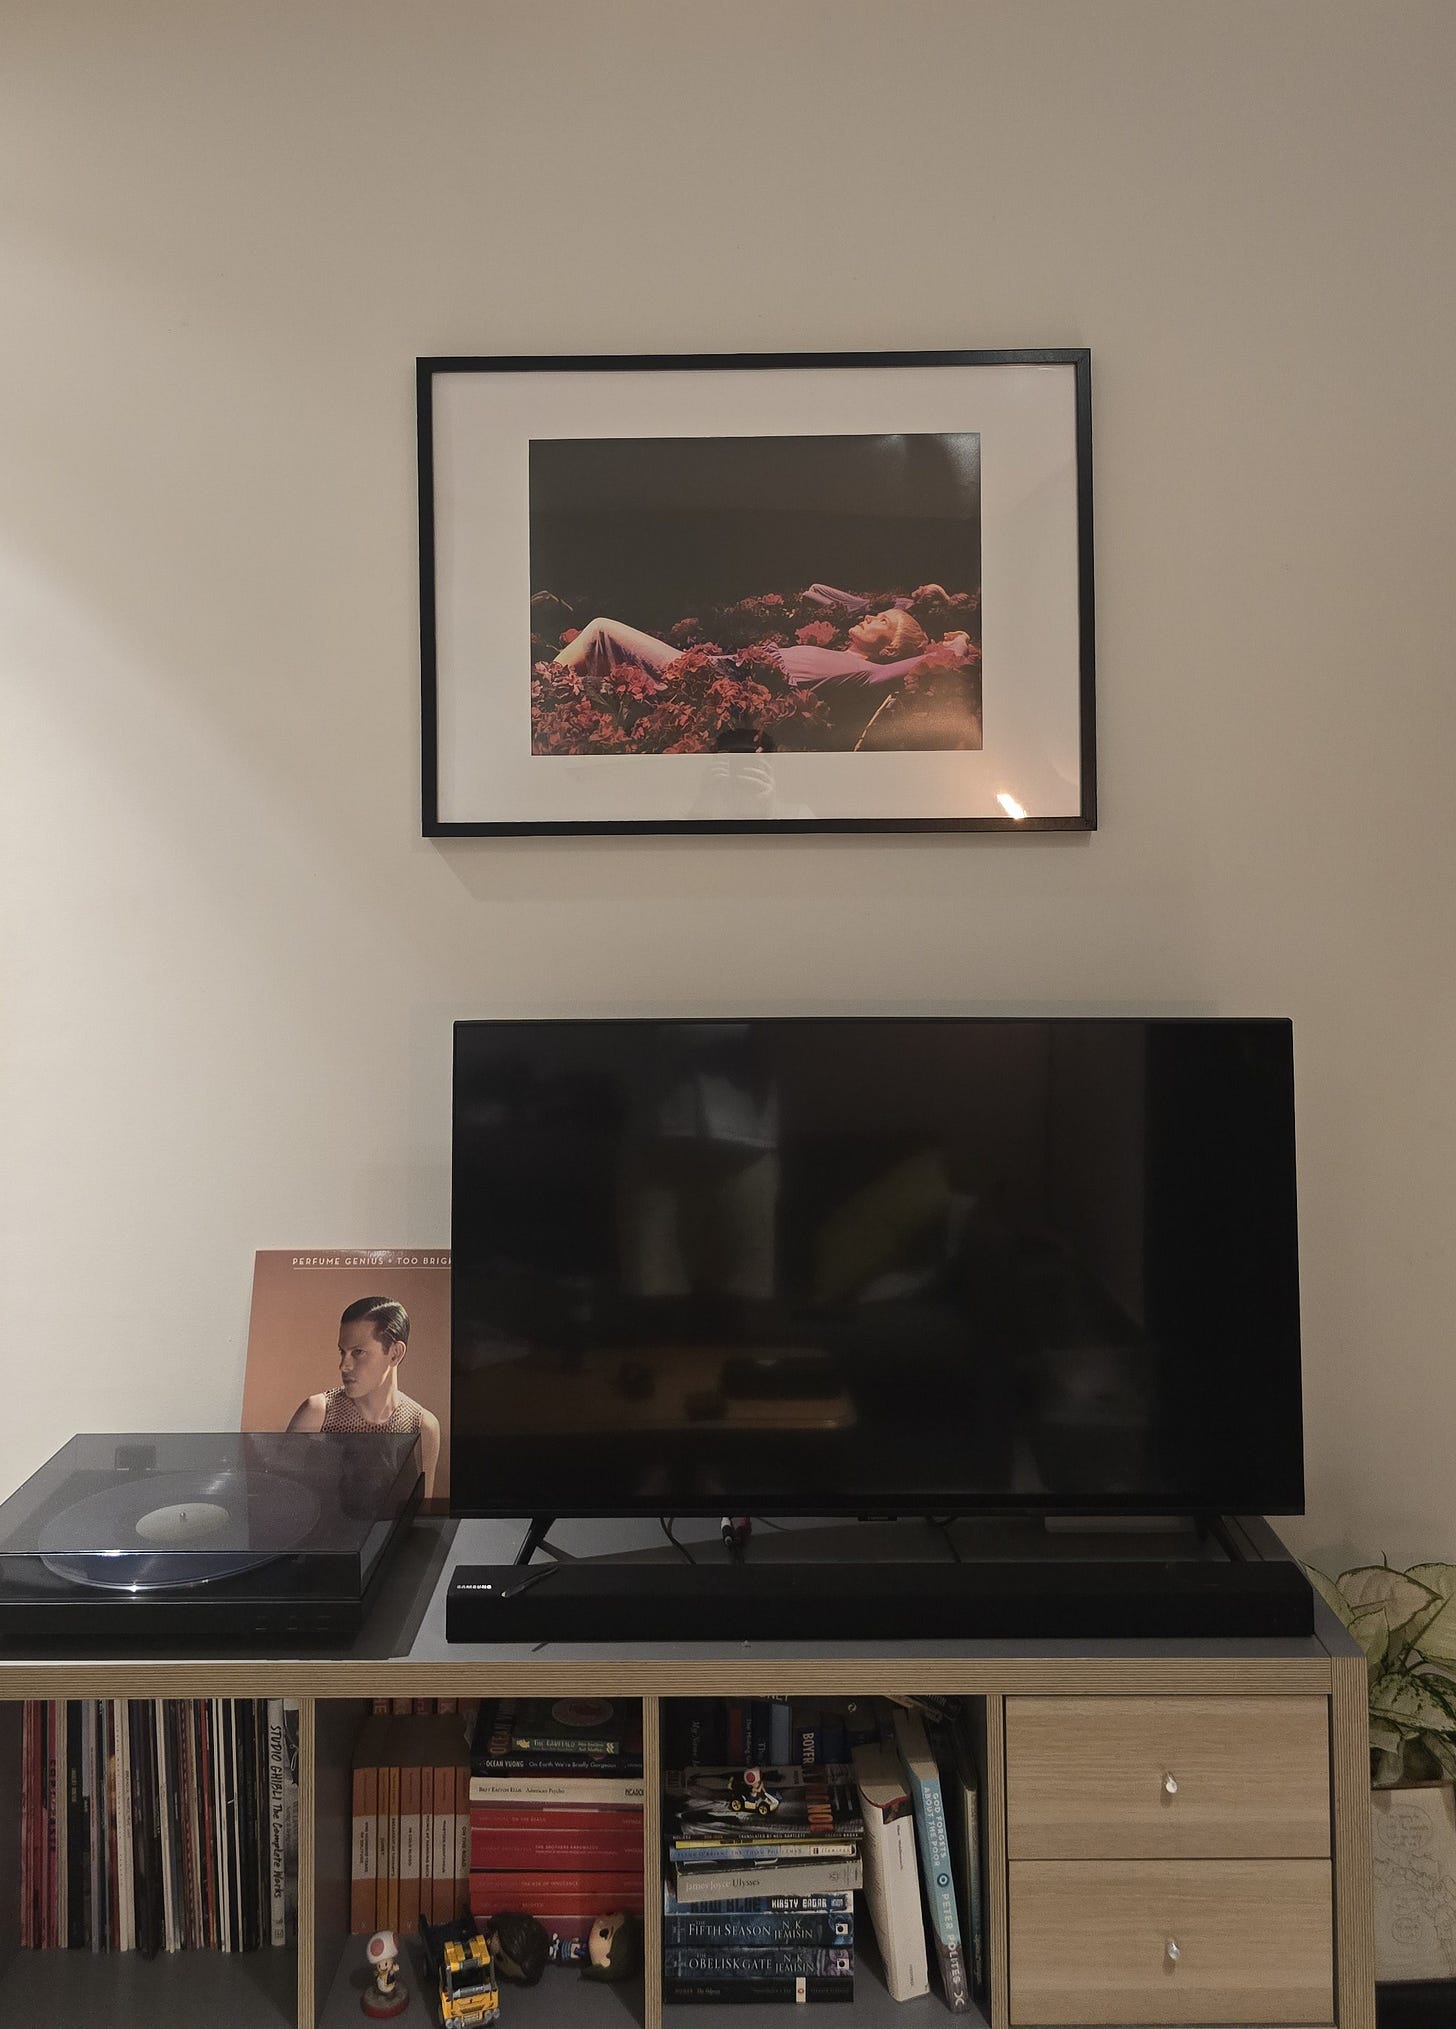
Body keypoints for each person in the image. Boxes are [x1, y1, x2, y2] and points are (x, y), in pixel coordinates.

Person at [551, 600, 979, 751]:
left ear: (887, 646)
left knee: (600, 630)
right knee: (599, 640)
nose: (869, 617)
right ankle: (547, 688)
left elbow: (922, 663)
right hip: (712, 668)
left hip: (709, 679)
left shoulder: (868, 672)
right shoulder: (840, 655)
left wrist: (957, 642)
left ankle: (543, 692)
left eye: (881, 622)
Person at [287, 1297, 441, 1499]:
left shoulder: (423, 1426)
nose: (344, 1366)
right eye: (343, 1352)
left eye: (358, 1352)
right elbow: (282, 1499)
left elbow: (422, 1514)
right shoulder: (317, 1413)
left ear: (395, 1353)